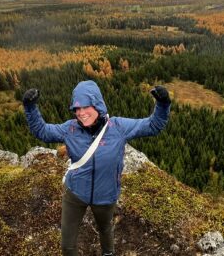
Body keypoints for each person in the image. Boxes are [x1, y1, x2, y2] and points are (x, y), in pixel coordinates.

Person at [22, 80, 170, 256]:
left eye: (85, 107)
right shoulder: (70, 129)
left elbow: (153, 125)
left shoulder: (118, 127)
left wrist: (163, 104)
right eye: (77, 109)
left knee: (105, 229)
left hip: (105, 196)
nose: (81, 113)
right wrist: (30, 108)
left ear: (98, 105)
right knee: (67, 245)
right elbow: (42, 131)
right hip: (75, 193)